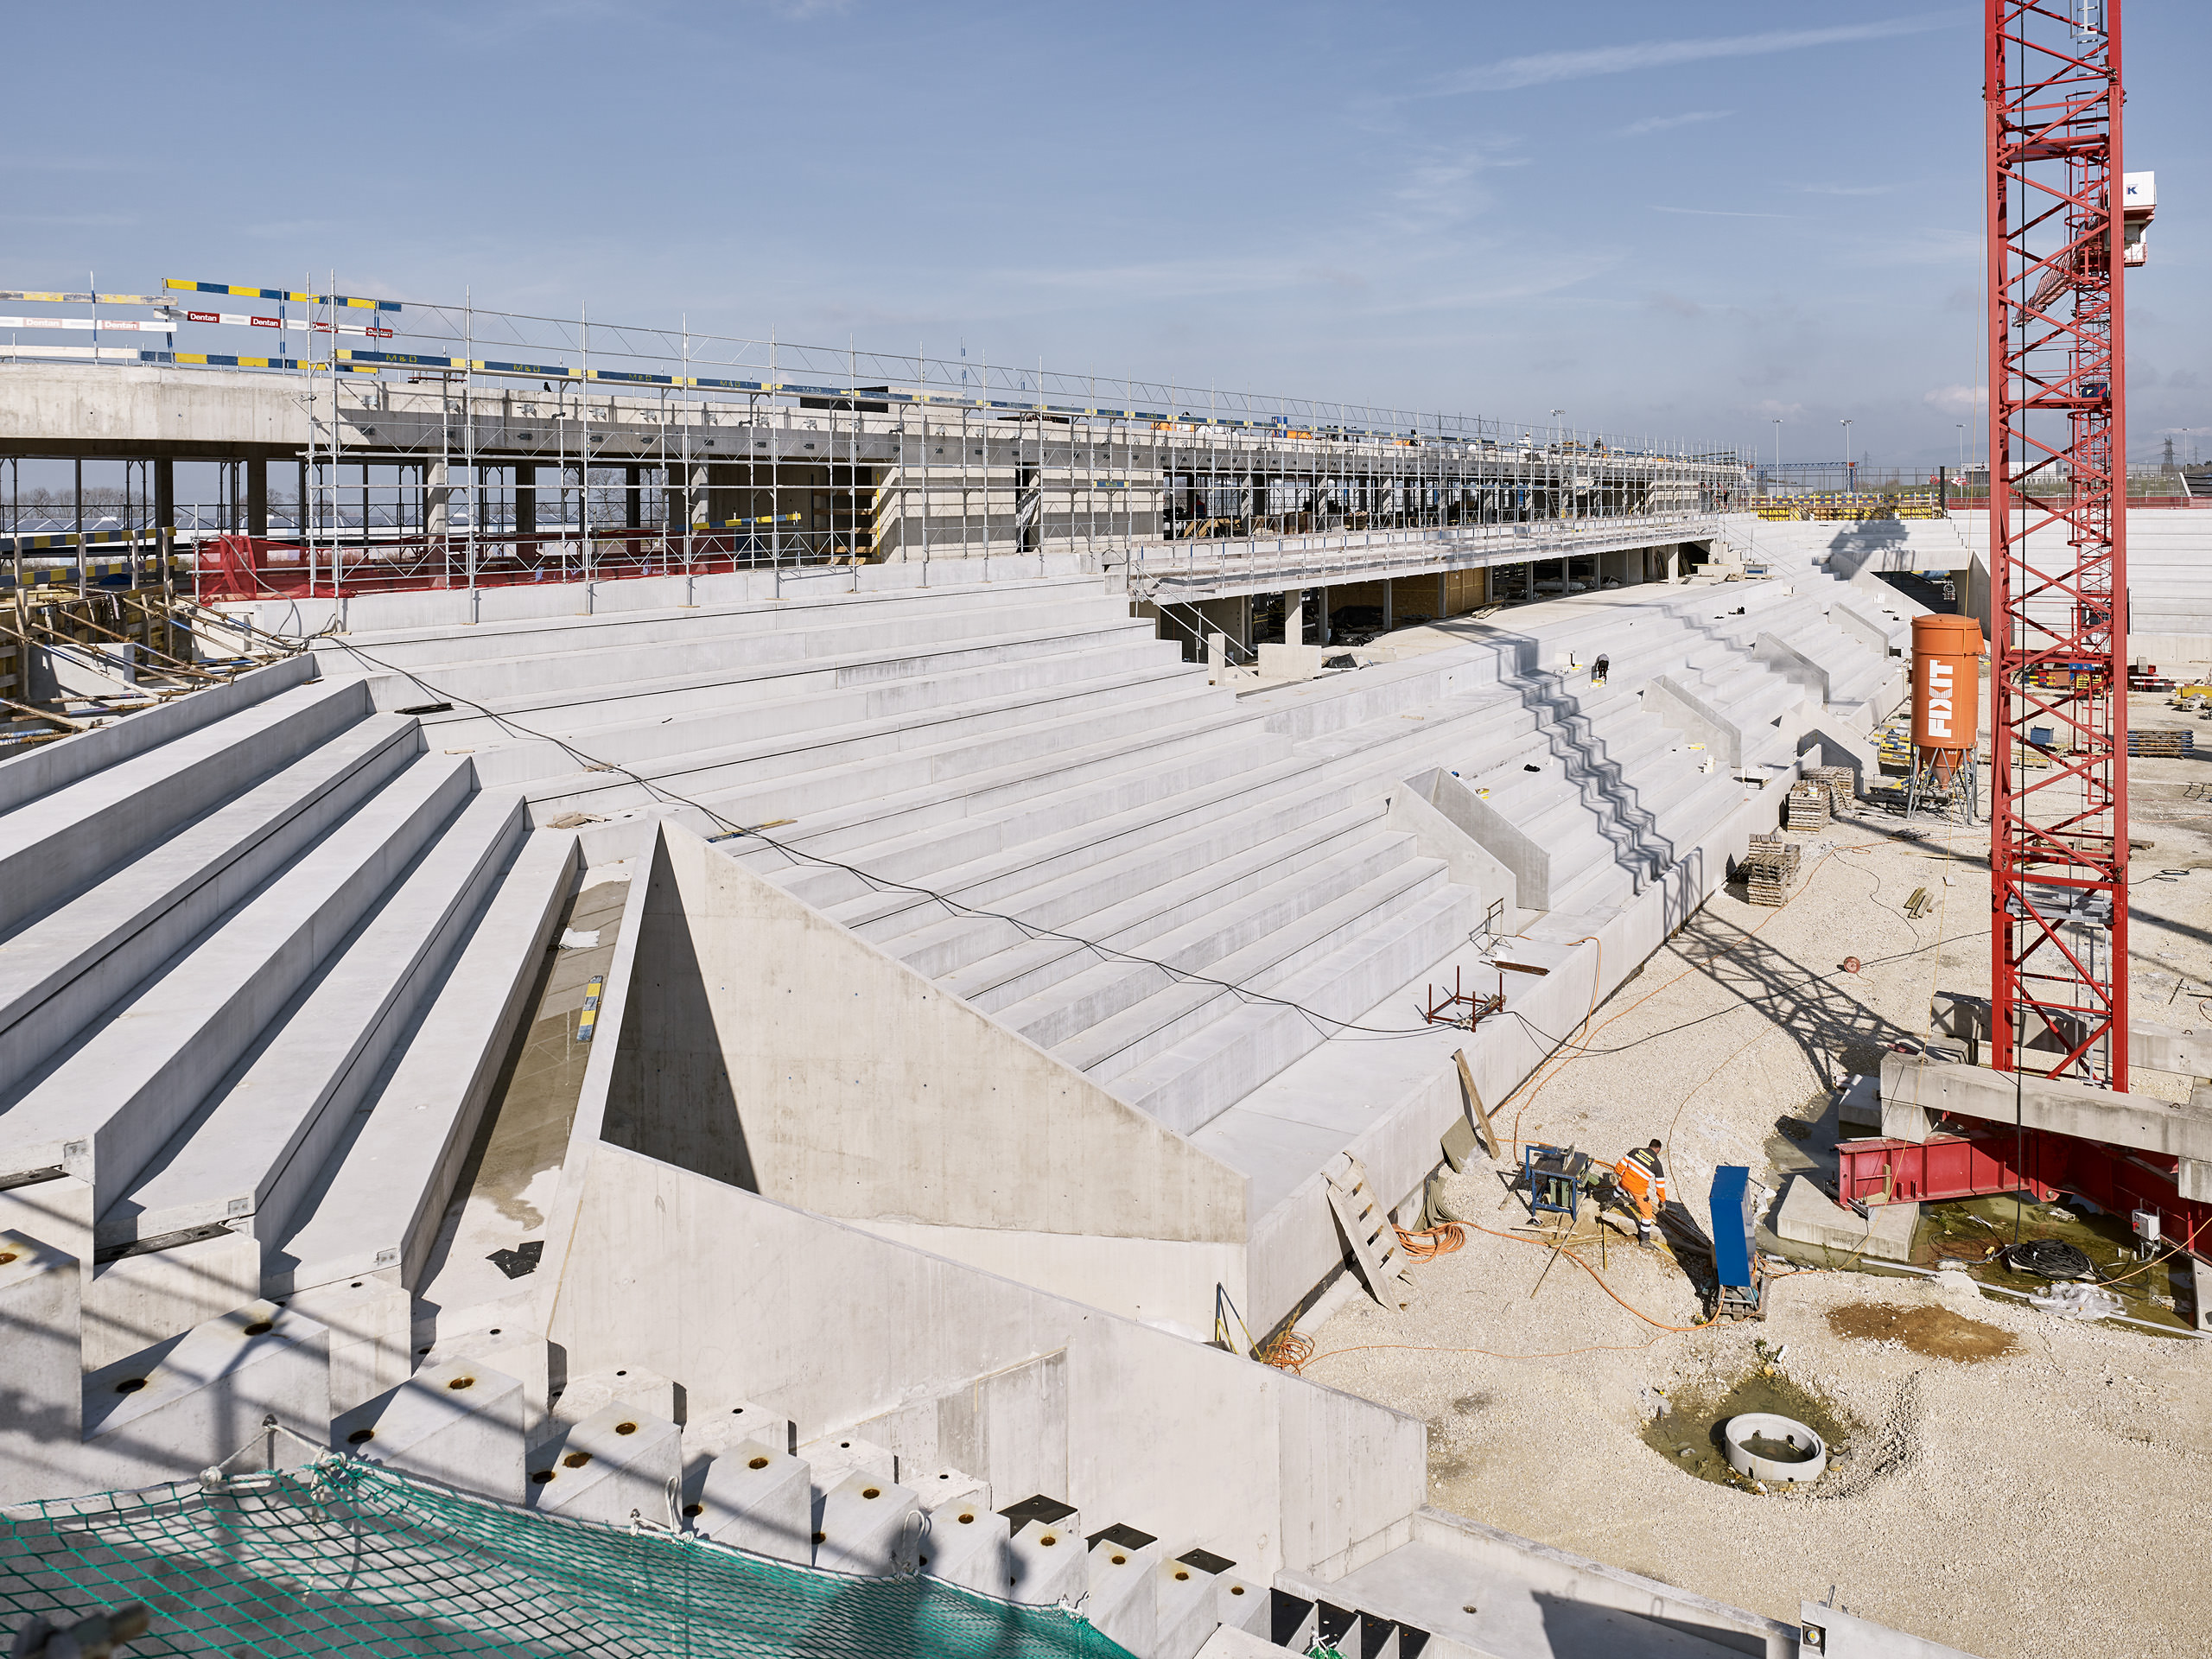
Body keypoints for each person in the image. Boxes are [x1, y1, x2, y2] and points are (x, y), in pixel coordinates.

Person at [1612, 1138, 1667, 1244]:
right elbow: (1660, 1185)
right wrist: (1662, 1201)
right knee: (1647, 1212)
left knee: (1621, 1186)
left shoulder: (1635, 1150)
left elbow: (1622, 1162)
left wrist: (1616, 1173)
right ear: (1658, 1149)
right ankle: (1644, 1240)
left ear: (1649, 1145)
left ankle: (1609, 1203)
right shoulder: (1657, 1164)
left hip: (1625, 1181)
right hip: (1638, 1190)